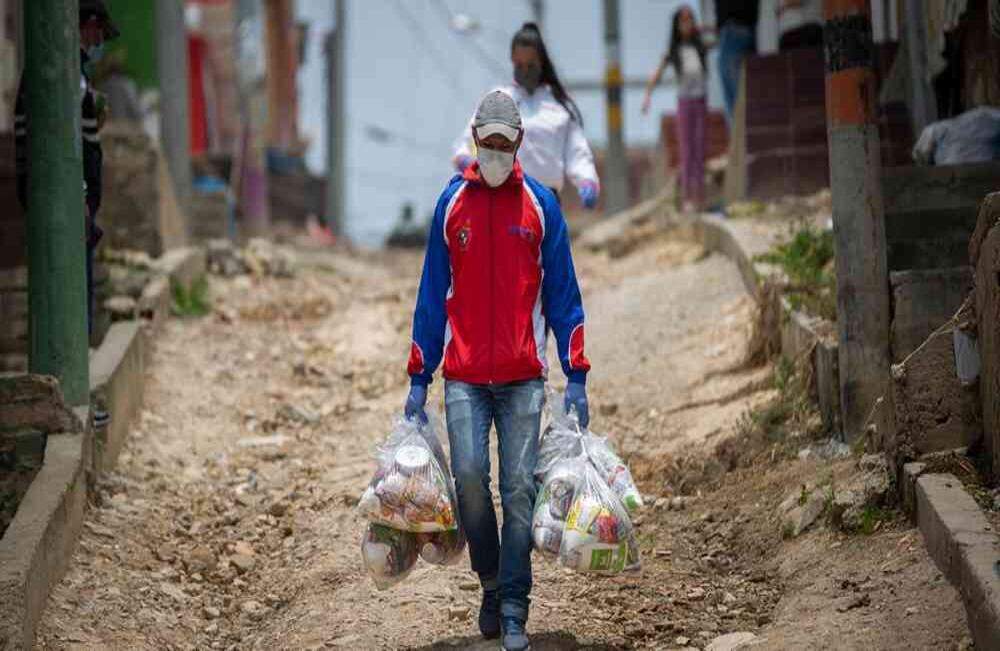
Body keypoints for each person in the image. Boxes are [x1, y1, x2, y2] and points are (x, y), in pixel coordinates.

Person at [407, 90, 591, 651]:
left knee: (517, 492)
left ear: (517, 144)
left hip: (521, 378)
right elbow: (431, 296)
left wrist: (575, 372)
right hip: (462, 376)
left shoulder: (540, 207)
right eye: (484, 143)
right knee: (468, 482)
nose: (491, 153)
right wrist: (420, 375)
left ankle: (514, 605)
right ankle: (489, 579)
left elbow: (563, 293)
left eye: (501, 144)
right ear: (474, 141)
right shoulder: (451, 206)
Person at [15, 0, 119, 337]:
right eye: (98, 34)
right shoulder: (64, 69)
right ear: (88, 24)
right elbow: (64, 144)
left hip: (67, 198)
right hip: (69, 200)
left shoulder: (65, 70)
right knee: (71, 295)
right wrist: (83, 197)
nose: (98, 43)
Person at [453, 23, 600, 210]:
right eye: (519, 65)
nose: (525, 71)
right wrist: (467, 160)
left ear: (542, 63)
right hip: (505, 199)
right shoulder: (498, 100)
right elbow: (469, 141)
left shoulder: (560, 105)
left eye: (531, 65)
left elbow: (577, 153)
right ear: (512, 62)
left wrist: (587, 181)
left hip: (548, 203)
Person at [642, 6, 709, 213]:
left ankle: (700, 196)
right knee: (687, 150)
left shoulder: (700, 47)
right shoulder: (673, 51)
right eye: (683, 21)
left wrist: (706, 29)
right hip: (685, 103)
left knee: (700, 149)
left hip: (701, 102)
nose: (687, 24)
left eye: (690, 20)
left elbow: (714, 36)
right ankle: (688, 197)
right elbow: (657, 74)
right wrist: (647, 96)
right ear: (677, 25)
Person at [712, 0, 759, 126]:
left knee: (737, 108)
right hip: (748, 30)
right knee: (748, 100)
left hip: (732, 32)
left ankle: (741, 142)